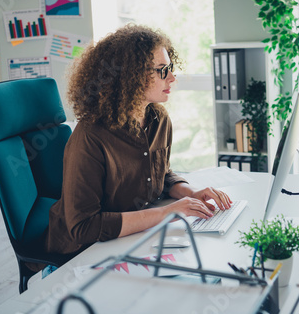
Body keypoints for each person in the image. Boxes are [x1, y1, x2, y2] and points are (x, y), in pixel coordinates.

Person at [44, 24, 232, 258]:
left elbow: (160, 175)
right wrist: (167, 213)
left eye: (170, 68)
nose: (172, 78)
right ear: (130, 75)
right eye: (162, 70)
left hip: (133, 238)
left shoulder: (159, 119)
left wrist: (191, 194)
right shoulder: (91, 136)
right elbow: (82, 228)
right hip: (81, 254)